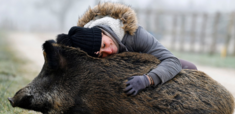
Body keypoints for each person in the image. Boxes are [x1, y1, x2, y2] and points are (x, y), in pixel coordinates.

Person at [57, 2, 197, 96]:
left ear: (102, 32)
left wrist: (147, 80)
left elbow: (171, 61)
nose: (109, 52)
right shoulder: (83, 50)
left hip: (147, 69)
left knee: (190, 67)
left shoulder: (135, 34)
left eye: (104, 45)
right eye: (101, 54)